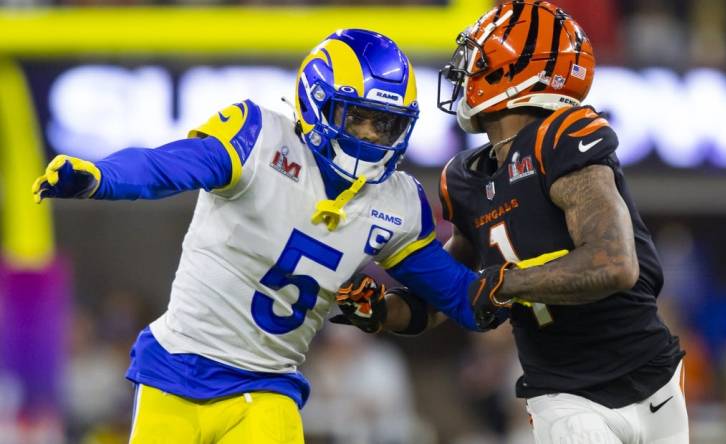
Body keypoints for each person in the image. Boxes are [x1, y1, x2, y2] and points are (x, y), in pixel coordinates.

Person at [32, 29, 489, 444]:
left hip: (266, 384)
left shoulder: (398, 201)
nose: (371, 137)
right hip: (175, 368)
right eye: (359, 119)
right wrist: (100, 176)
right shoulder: (257, 138)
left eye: (385, 124)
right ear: (316, 102)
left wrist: (512, 253)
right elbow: (166, 166)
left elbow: (461, 298)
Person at [334, 2, 689, 443]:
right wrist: (384, 310)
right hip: (565, 392)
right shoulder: (463, 178)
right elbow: (456, 295)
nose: (464, 72)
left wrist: (504, 283)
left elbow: (613, 263)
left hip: (653, 378)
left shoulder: (563, 140)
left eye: (478, 59)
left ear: (514, 71)